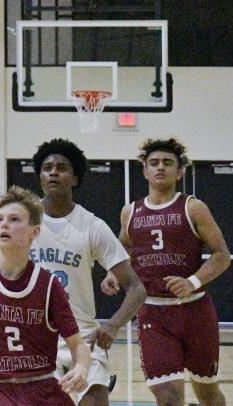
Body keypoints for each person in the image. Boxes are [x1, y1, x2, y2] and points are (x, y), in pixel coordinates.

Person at [106, 138, 231, 406]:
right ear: (145, 171)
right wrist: (113, 274)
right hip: (153, 312)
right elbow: (122, 251)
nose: (160, 167)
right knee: (169, 397)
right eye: (154, 163)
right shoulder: (130, 212)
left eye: (167, 163)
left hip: (195, 312)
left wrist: (193, 281)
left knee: (207, 393)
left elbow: (222, 256)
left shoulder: (193, 207)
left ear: (180, 171)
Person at [0, 186, 91, 406]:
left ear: (35, 232)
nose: (4, 224)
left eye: (14, 219)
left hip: (40, 387)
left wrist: (81, 367)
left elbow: (78, 344)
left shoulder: (48, 285)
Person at [30, 139, 147, 406]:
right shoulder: (25, 221)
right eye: (47, 168)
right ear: (40, 176)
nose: (54, 172)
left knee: (95, 400)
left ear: (75, 178)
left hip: (80, 334)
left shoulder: (92, 226)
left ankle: (100, 380)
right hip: (34, 335)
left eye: (62, 167)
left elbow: (137, 288)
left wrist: (113, 324)